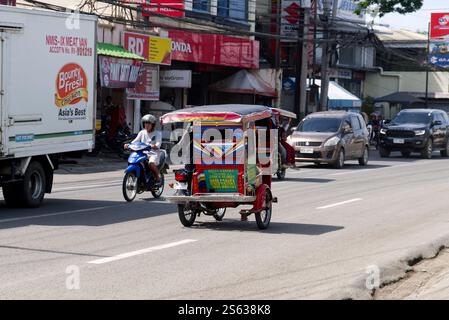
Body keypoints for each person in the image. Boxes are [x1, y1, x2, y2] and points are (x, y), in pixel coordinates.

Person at [125, 114, 163, 182]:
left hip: (153, 153)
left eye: (149, 123)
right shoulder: (142, 132)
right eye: (145, 123)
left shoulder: (158, 133)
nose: (147, 125)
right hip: (142, 153)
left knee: (151, 163)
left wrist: (155, 146)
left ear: (153, 125)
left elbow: (158, 144)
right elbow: (135, 141)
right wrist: (128, 145)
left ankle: (158, 176)